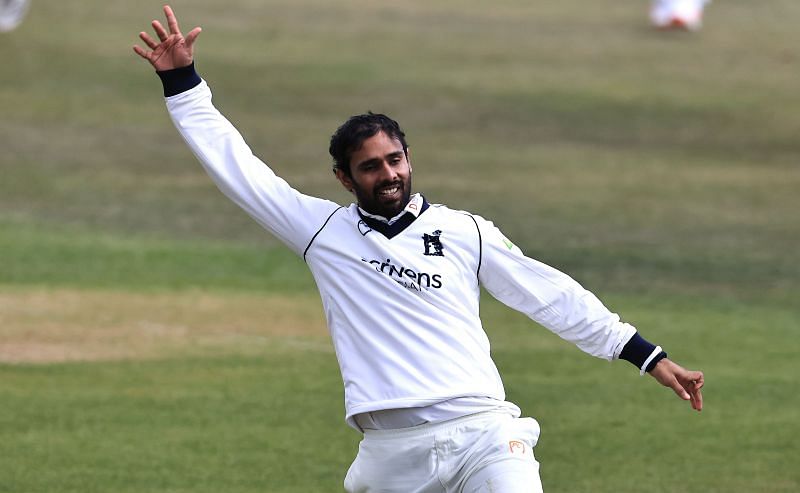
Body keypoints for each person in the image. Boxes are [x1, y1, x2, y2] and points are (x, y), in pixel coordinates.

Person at [134, 6, 704, 492]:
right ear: (343, 177)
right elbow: (239, 170)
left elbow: (550, 294)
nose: (388, 174)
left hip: (484, 434)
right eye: (370, 166)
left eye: (395, 159)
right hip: (391, 455)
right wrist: (183, 84)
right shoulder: (320, 232)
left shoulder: (465, 231)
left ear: (408, 157)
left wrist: (646, 356)